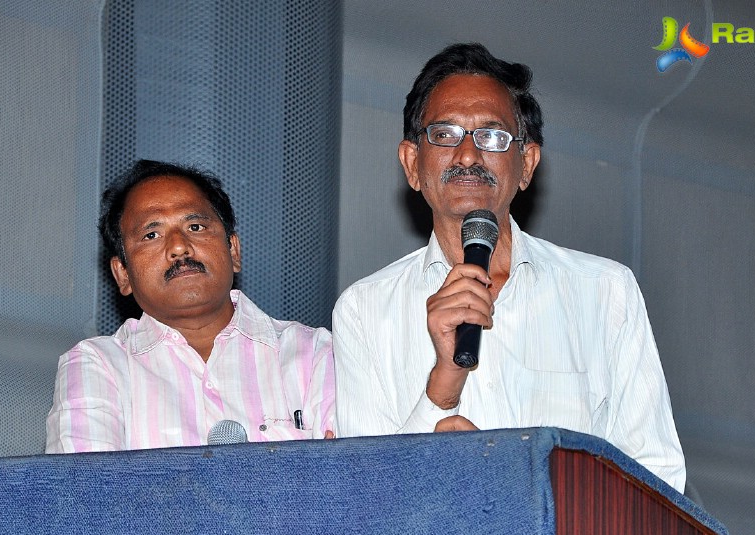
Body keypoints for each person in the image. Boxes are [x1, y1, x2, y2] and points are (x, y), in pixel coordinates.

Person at [332, 43, 685, 492]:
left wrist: (515, 487)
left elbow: (658, 480)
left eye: (492, 137)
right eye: (444, 134)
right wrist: (442, 386)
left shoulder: (604, 292)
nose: (466, 156)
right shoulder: (364, 311)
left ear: (527, 164)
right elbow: (364, 503)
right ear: (412, 164)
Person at [46, 160, 335, 452]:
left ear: (233, 250)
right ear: (123, 273)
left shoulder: (315, 354)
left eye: (195, 226)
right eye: (151, 235)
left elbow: (349, 484)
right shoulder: (98, 365)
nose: (179, 247)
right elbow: (86, 492)